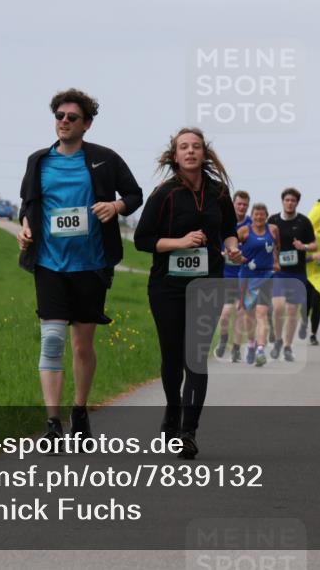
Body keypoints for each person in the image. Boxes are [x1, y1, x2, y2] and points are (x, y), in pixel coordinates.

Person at [17, 88, 143, 444]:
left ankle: (80, 409)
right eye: (59, 116)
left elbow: (135, 195)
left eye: (72, 117)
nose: (64, 122)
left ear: (86, 124)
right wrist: (25, 228)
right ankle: (52, 424)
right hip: (49, 263)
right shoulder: (38, 161)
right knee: (52, 341)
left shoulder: (104, 159)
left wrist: (115, 207)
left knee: (82, 346)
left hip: (91, 264)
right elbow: (28, 204)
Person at [134, 128, 243, 460]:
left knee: (195, 357)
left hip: (208, 282)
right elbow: (142, 240)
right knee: (172, 358)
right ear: (175, 155)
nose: (191, 151)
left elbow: (228, 230)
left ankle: (188, 432)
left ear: (204, 153)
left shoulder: (219, 192)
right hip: (167, 286)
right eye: (184, 147)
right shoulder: (164, 194)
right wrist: (180, 243)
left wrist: (233, 248)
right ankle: (173, 408)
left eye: (196, 146)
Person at [267, 188, 317, 362]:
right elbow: (264, 240)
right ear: (282, 201)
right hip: (279, 271)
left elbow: (315, 245)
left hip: (297, 273)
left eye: (293, 201)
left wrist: (304, 246)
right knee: (278, 307)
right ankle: (278, 340)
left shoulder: (304, 222)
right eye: (287, 200)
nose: (290, 203)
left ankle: (288, 346)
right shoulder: (273, 220)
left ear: (297, 203)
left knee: (292, 310)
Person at [237, 204, 280, 367]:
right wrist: (238, 256)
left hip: (267, 276)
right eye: (256, 214)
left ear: (266, 216)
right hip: (247, 277)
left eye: (262, 215)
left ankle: (261, 350)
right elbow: (232, 247)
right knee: (249, 316)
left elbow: (276, 247)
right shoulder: (244, 231)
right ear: (252, 215)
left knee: (261, 313)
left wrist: (276, 261)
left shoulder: (273, 230)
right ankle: (251, 344)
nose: (259, 217)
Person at [215, 191, 251, 363]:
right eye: (239, 204)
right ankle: (223, 339)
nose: (242, 207)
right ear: (233, 204)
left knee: (240, 312)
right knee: (225, 313)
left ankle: (236, 348)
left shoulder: (252, 225)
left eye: (245, 204)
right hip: (227, 274)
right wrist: (220, 253)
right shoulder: (224, 221)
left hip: (244, 276)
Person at [305, 201, 320, 345]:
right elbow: (300, 258)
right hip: (306, 273)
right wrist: (313, 257)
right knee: (306, 304)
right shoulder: (306, 234)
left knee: (316, 302)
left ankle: (313, 334)